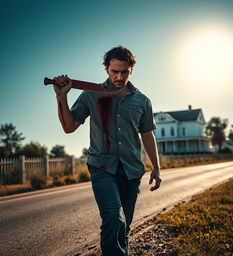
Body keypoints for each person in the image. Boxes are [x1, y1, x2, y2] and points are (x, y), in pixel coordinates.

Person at [53, 46, 161, 256]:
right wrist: (61, 97)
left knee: (123, 226)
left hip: (131, 170)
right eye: (114, 72)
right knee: (113, 217)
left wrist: (156, 167)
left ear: (132, 70)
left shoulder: (142, 101)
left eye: (124, 72)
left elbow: (147, 135)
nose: (119, 77)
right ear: (106, 69)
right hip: (102, 167)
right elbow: (69, 127)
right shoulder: (91, 95)